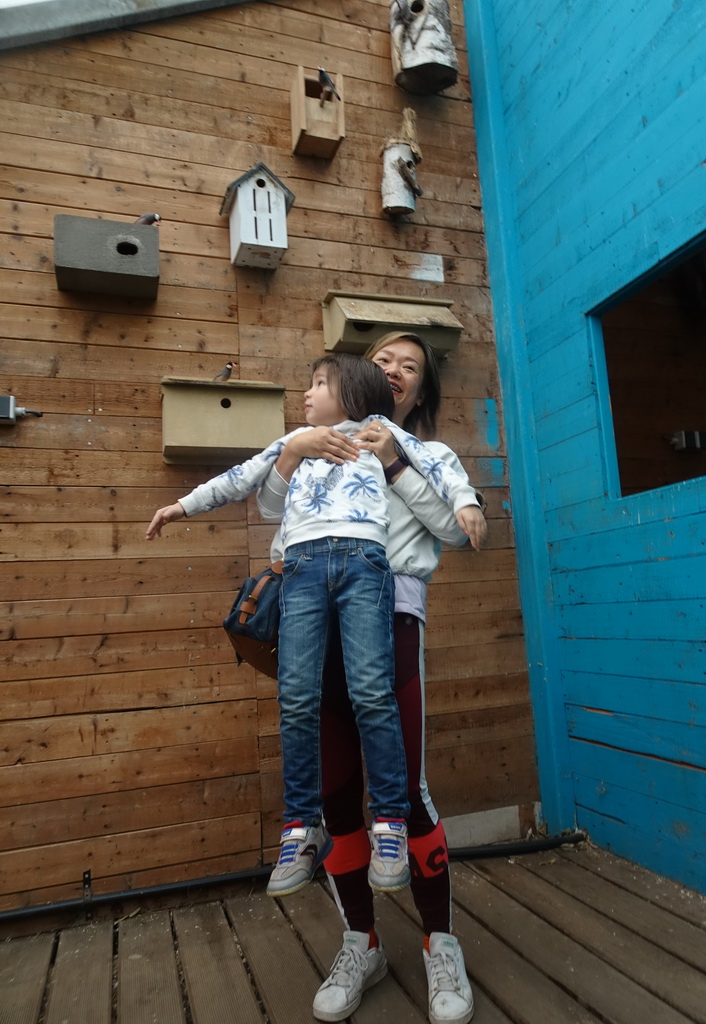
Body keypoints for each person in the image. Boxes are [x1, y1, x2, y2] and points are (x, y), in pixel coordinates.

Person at [146, 352, 482, 905]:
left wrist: (466, 502)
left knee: (374, 692)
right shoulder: (297, 441)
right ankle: (301, 826)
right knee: (297, 696)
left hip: (366, 569)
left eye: (318, 383)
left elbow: (440, 468)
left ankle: (391, 822)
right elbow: (242, 479)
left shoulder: (382, 433)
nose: (305, 394)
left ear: (351, 392)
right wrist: (182, 506)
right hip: (301, 572)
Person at [256, 334, 485, 1024]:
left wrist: (393, 465)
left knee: (406, 793)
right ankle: (362, 941)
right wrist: (294, 457)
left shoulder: (431, 455)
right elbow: (275, 522)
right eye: (383, 360)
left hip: (391, 623)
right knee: (335, 794)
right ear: (359, 376)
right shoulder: (317, 449)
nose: (393, 370)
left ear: (418, 394)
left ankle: (440, 942)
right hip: (311, 633)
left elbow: (452, 529)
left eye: (409, 368)